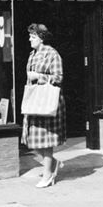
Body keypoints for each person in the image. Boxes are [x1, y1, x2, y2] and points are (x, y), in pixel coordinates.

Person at [22, 23, 66, 188]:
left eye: (33, 37)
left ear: (41, 38)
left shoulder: (52, 54)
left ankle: (47, 175)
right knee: (32, 140)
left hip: (46, 101)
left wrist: (39, 76)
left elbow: (59, 77)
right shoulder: (32, 54)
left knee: (46, 140)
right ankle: (52, 163)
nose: (30, 39)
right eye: (30, 36)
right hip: (34, 101)